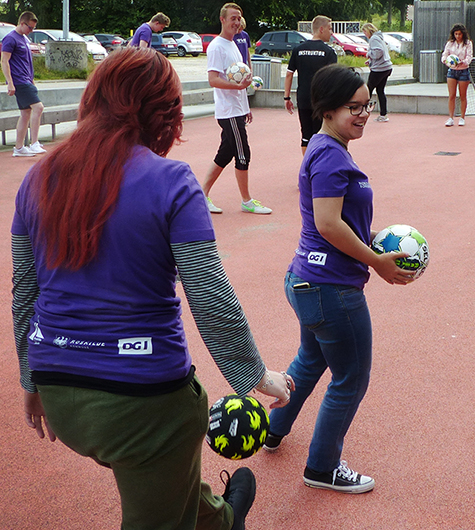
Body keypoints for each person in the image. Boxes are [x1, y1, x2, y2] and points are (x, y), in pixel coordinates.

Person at [11, 46, 293, 530]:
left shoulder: (38, 177)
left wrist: (31, 382)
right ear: (163, 112)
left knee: (165, 485)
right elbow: (211, 297)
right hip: (147, 402)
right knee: (158, 485)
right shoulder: (172, 181)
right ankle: (227, 521)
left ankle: (222, 513)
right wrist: (254, 378)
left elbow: (24, 292)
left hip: (61, 393)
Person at [261, 64, 414, 493]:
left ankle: (274, 429)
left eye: (368, 105)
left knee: (312, 360)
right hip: (330, 288)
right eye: (354, 107)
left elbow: (334, 220)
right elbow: (328, 224)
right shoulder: (329, 154)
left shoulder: (327, 147)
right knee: (351, 378)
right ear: (327, 109)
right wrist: (377, 262)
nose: (364, 113)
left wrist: (373, 240)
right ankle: (322, 468)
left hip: (308, 281)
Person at [202, 2, 271, 215]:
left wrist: (245, 107)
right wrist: (237, 87)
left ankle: (200, 195)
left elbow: (238, 79)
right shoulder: (216, 46)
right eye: (232, 18)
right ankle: (246, 201)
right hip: (228, 111)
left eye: (238, 18)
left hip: (237, 109)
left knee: (225, 153)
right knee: (243, 153)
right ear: (222, 20)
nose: (236, 22)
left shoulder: (233, 44)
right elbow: (213, 80)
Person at [284, 15, 337, 154]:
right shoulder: (329, 52)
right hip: (321, 101)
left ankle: (307, 167)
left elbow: (289, 74)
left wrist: (287, 97)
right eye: (330, 29)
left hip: (303, 99)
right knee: (322, 134)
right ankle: (319, 166)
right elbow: (333, 78)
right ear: (321, 29)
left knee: (306, 135)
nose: (331, 33)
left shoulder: (298, 49)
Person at [2, 11, 45, 157]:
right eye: (30, 28)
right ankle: (34, 143)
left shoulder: (25, 39)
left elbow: (27, 62)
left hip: (27, 79)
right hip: (19, 81)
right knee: (38, 108)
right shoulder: (10, 39)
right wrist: (10, 83)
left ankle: (19, 148)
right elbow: (4, 61)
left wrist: (32, 78)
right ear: (22, 23)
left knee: (26, 113)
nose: (31, 31)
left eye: (33, 28)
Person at [442, 23, 473, 127]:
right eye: (456, 34)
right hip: (452, 71)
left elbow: (469, 57)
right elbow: (445, 55)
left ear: (463, 34)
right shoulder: (450, 43)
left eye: (459, 34)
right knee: (451, 95)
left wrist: (462, 62)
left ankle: (462, 117)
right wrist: (447, 62)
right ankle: (450, 118)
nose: (458, 36)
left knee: (462, 95)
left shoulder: (468, 43)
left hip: (463, 71)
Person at [362, 23, 392, 123]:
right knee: (380, 90)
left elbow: (378, 52)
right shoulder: (379, 37)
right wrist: (371, 61)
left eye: (364, 32)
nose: (364, 34)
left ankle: (363, 111)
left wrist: (368, 54)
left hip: (379, 69)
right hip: (386, 67)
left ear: (368, 30)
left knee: (368, 89)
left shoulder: (373, 39)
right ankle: (383, 114)